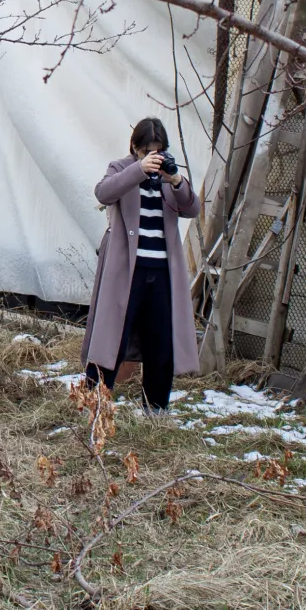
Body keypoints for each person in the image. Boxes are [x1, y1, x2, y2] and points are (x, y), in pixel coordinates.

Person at [82, 115, 201, 412]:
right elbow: (103, 192)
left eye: (158, 150)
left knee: (160, 340)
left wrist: (176, 180)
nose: (153, 156)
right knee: (113, 336)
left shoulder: (167, 175)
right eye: (147, 150)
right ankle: (94, 400)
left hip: (161, 271)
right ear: (134, 147)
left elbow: (192, 209)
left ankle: (156, 407)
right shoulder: (121, 168)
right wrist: (138, 169)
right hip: (126, 270)